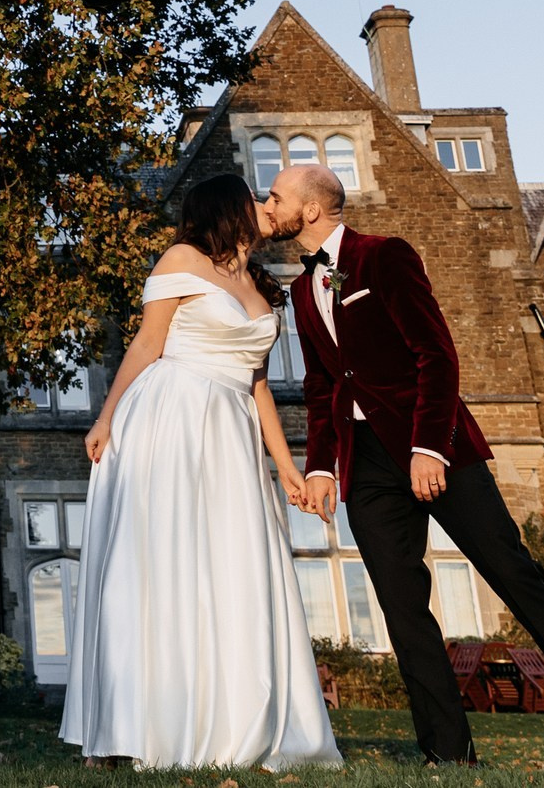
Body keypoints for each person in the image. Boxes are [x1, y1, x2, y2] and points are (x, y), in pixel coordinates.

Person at [263, 163, 544, 776]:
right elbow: (324, 382)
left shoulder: (386, 256)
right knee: (403, 608)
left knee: (518, 577)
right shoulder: (302, 290)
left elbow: (436, 354)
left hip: (434, 447)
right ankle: (449, 754)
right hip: (367, 464)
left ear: (313, 209)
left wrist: (429, 448)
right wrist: (320, 466)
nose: (268, 205)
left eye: (276, 196)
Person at [59, 173, 342, 772]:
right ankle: (128, 726)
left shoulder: (260, 284)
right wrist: (106, 417)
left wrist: (286, 466)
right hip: (173, 416)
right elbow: (145, 344)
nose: (267, 206)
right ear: (227, 209)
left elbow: (258, 382)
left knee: (229, 567)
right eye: (257, 199)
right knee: (158, 566)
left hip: (231, 434)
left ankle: (226, 719)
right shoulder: (182, 259)